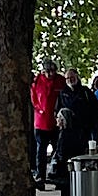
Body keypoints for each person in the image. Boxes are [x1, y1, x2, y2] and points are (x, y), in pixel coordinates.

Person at [30, 59, 65, 188]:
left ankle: (57, 177)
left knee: (58, 150)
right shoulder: (37, 81)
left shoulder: (60, 81)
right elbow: (33, 97)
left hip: (56, 121)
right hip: (41, 121)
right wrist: (39, 109)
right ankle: (41, 178)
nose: (50, 74)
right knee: (41, 151)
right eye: (48, 72)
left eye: (53, 71)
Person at [51, 108, 84, 196]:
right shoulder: (75, 132)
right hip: (71, 161)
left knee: (65, 185)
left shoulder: (64, 134)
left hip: (64, 163)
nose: (56, 119)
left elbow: (61, 150)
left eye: (58, 118)